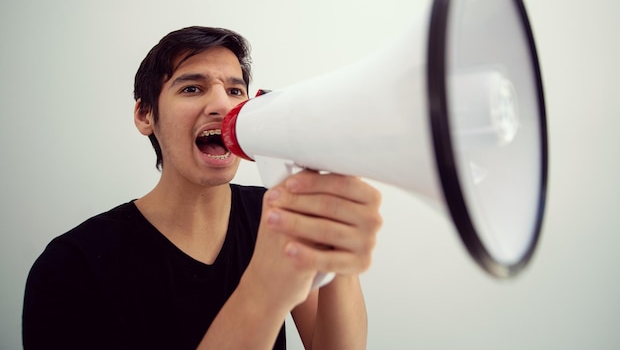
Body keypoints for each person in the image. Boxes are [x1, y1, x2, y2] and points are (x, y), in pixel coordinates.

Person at [22, 26, 383, 349]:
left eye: (234, 90)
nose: (222, 105)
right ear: (145, 115)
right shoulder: (71, 265)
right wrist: (263, 289)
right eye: (192, 88)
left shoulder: (276, 213)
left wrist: (337, 248)